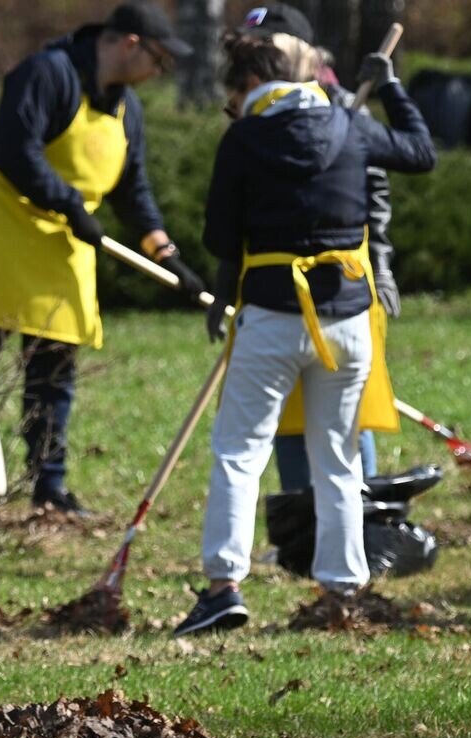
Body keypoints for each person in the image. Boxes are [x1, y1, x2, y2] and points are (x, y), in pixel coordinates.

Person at [172, 32, 435, 636]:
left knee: (240, 452)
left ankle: (223, 588)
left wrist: (227, 276)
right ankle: (342, 591)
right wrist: (391, 87)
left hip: (271, 317)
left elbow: (219, 234)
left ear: (244, 90)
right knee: (337, 457)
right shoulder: (350, 123)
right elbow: (420, 152)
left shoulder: (243, 138)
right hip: (347, 322)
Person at [0, 1, 206, 516]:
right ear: (130, 44)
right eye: (159, 62)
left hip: (66, 252)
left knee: (54, 377)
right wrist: (70, 202)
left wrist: (167, 254)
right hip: (4, 243)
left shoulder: (126, 108)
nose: (158, 74)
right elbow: (13, 148)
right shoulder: (47, 74)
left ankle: (49, 488)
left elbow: (131, 188)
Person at [239, 5, 400, 491]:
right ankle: (300, 522)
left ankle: (362, 515)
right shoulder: (251, 109)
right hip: (272, 281)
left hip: (343, 278)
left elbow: (375, 194)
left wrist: (382, 266)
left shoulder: (347, 107)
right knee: (287, 408)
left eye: (268, 50)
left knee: (349, 409)